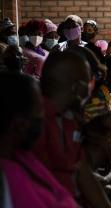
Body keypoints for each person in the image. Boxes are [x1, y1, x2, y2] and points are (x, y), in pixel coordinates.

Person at [0, 71, 77, 207]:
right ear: (20, 125)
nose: (43, 120)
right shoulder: (10, 177)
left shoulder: (22, 157)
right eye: (39, 115)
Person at [33, 49, 92, 196]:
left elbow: (83, 173)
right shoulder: (36, 125)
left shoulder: (70, 117)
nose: (89, 87)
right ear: (77, 87)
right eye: (87, 81)